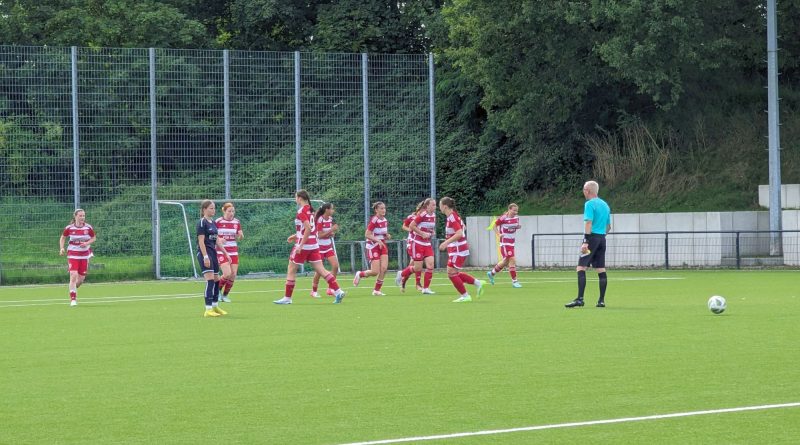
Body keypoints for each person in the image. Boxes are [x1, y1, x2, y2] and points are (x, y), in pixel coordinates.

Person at [274, 190, 346, 305]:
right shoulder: (311, 210)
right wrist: (295, 236)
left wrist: (300, 245)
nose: (295, 199)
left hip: (304, 245)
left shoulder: (301, 211)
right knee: (321, 270)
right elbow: (310, 229)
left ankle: (287, 298)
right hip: (314, 244)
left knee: (291, 269)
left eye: (296, 197)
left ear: (299, 198)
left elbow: (307, 228)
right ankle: (338, 291)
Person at [565, 180, 611, 308]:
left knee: (581, 267)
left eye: (584, 189)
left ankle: (580, 299)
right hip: (602, 239)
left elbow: (588, 222)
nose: (583, 192)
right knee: (600, 268)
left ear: (587, 191)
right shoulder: (605, 205)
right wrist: (601, 237)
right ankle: (601, 301)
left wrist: (586, 241)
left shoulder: (589, 204)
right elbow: (608, 226)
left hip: (591, 239)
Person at [438, 197, 484, 302]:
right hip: (457, 249)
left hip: (458, 250)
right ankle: (477, 283)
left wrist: (446, 242)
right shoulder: (453, 216)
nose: (439, 207)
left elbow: (459, 233)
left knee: (451, 273)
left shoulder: (452, 217)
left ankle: (465, 296)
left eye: (440, 205)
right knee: (454, 273)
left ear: (445, 206)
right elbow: (464, 228)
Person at [197, 200, 231, 317]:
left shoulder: (213, 223)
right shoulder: (202, 223)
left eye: (214, 208)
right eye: (211, 208)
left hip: (213, 254)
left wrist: (226, 253)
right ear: (204, 209)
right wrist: (205, 256)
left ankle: (215, 306)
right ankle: (208, 309)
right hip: (205, 254)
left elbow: (217, 240)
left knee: (217, 280)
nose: (213, 210)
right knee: (210, 280)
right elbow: (201, 241)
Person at [396, 198, 437, 294]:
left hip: (427, 243)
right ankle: (401, 274)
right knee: (418, 268)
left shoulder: (434, 215)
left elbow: (429, 227)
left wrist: (431, 232)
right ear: (427, 206)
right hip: (417, 243)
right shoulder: (422, 215)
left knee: (430, 265)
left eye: (435, 205)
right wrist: (422, 233)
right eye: (433, 205)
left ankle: (426, 288)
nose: (435, 207)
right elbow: (411, 226)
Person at [59, 209, 96, 307]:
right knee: (73, 275)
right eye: (80, 216)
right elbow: (63, 237)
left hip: (84, 255)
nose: (82, 217)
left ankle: (72, 288)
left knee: (80, 281)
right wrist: (62, 248)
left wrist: (86, 243)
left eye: (83, 216)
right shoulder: (69, 228)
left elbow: (93, 238)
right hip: (72, 253)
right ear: (75, 216)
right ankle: (73, 299)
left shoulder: (88, 227)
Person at [353, 201, 392, 296]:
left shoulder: (385, 220)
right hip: (373, 246)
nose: (384, 210)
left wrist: (386, 235)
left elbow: (382, 233)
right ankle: (360, 274)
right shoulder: (374, 220)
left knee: (384, 268)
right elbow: (367, 234)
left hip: (382, 245)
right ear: (376, 210)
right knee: (375, 272)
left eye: (384, 208)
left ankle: (376, 290)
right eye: (381, 208)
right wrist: (377, 240)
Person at [487, 203, 523, 288]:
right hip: (505, 243)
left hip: (512, 242)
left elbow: (513, 227)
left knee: (505, 261)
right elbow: (494, 225)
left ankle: (492, 273)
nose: (515, 212)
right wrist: (499, 234)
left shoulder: (516, 218)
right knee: (512, 259)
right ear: (509, 209)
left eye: (516, 211)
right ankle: (514, 282)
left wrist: (517, 227)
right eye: (514, 210)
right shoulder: (503, 218)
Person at [216, 202, 244, 303]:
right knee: (227, 273)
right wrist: (219, 239)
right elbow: (213, 235)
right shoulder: (218, 221)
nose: (231, 213)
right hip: (221, 250)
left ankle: (225, 295)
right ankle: (216, 292)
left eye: (233, 211)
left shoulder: (236, 222)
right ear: (224, 211)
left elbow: (239, 235)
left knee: (233, 275)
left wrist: (240, 236)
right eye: (229, 211)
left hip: (233, 251)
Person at [311, 203, 340, 298]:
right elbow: (319, 235)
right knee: (319, 271)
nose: (333, 211)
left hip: (328, 246)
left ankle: (331, 289)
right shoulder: (320, 219)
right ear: (327, 210)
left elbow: (327, 233)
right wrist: (331, 230)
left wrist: (332, 234)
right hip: (319, 247)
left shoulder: (330, 219)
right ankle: (314, 291)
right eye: (332, 209)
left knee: (335, 266)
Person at [401, 202, 424, 292]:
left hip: (421, 243)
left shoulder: (425, 218)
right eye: (422, 209)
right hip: (412, 242)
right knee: (417, 263)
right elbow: (404, 226)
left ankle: (403, 281)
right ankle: (417, 284)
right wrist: (410, 229)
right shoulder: (411, 217)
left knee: (413, 265)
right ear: (419, 209)